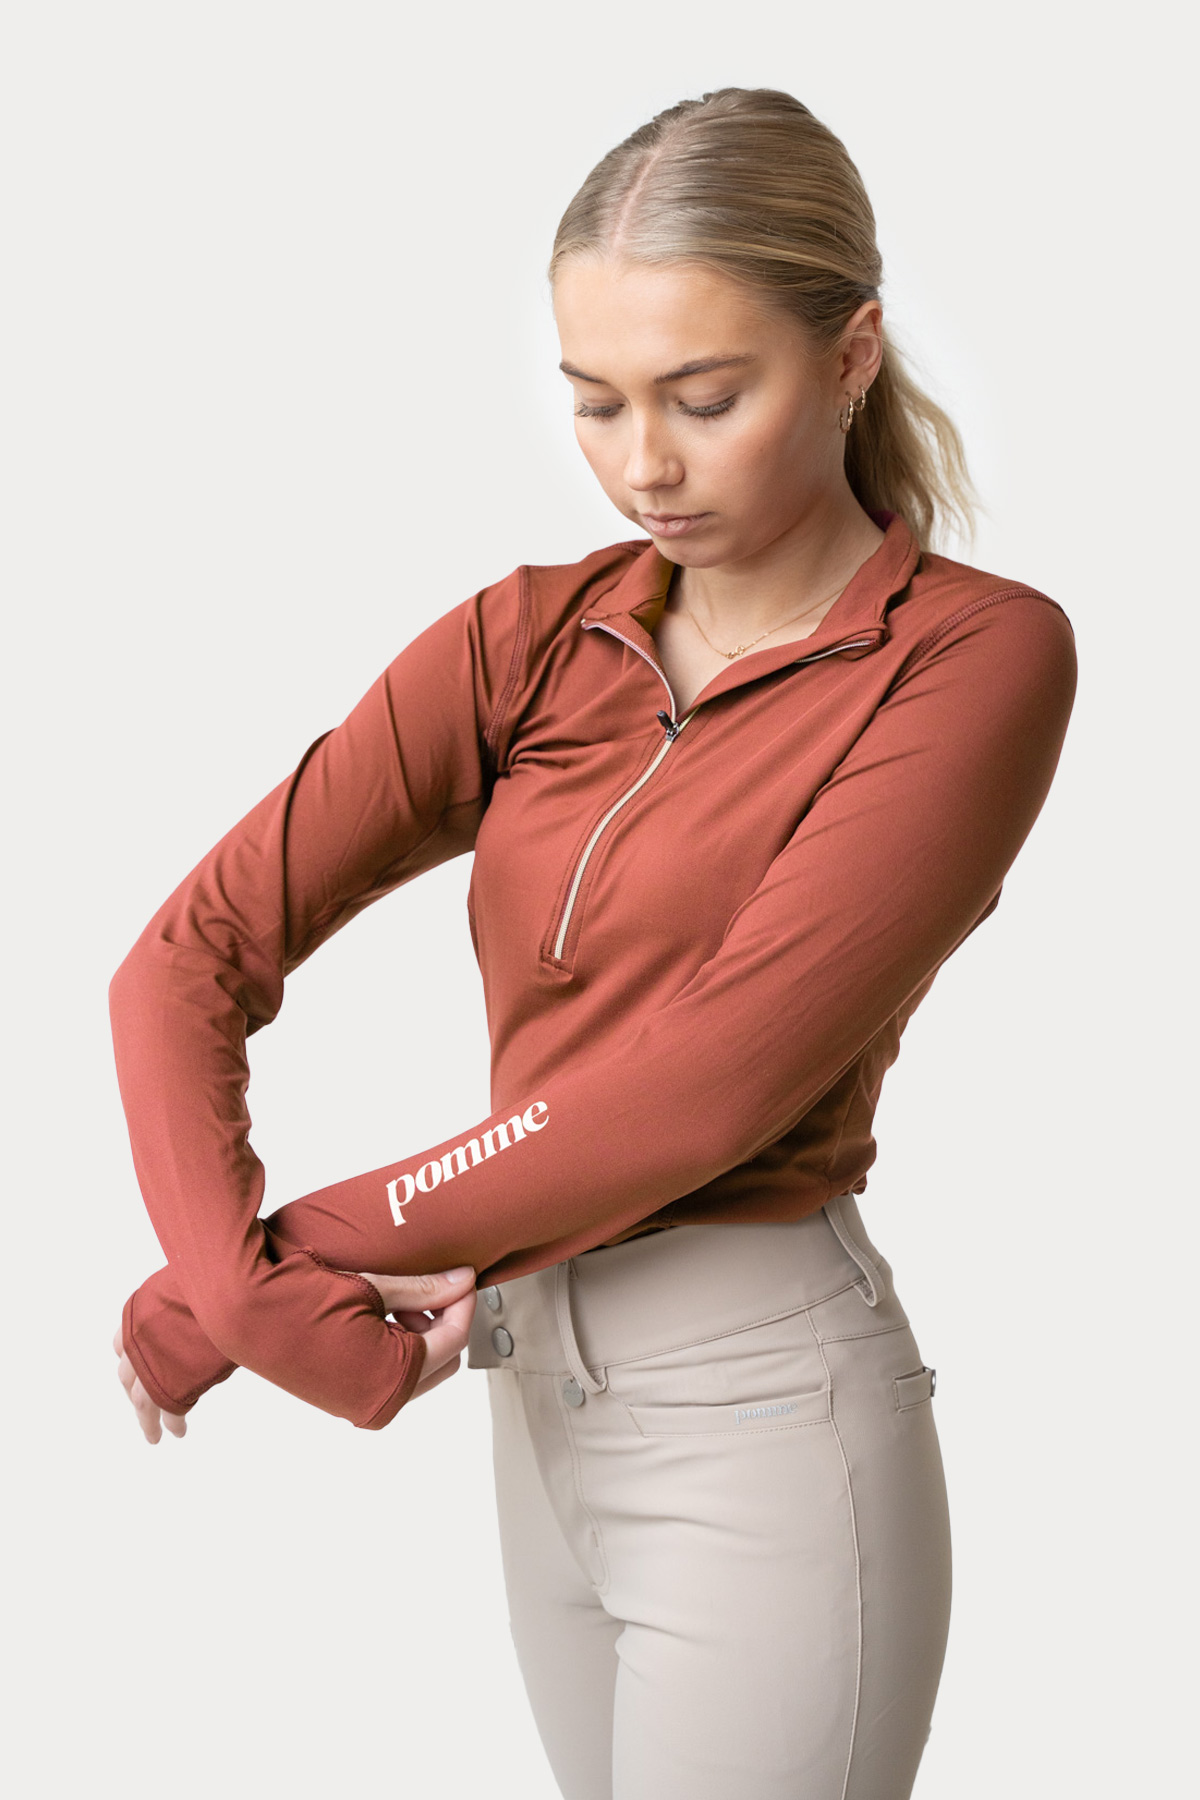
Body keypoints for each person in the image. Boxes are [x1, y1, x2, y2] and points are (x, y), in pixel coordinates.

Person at [110, 86, 1076, 1800]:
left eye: (706, 398)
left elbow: (698, 1093)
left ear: (851, 356)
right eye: (595, 401)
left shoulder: (970, 661)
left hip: (762, 1413)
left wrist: (238, 1281)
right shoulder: (535, 637)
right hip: (527, 1388)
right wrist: (242, 1286)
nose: (645, 465)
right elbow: (184, 957)